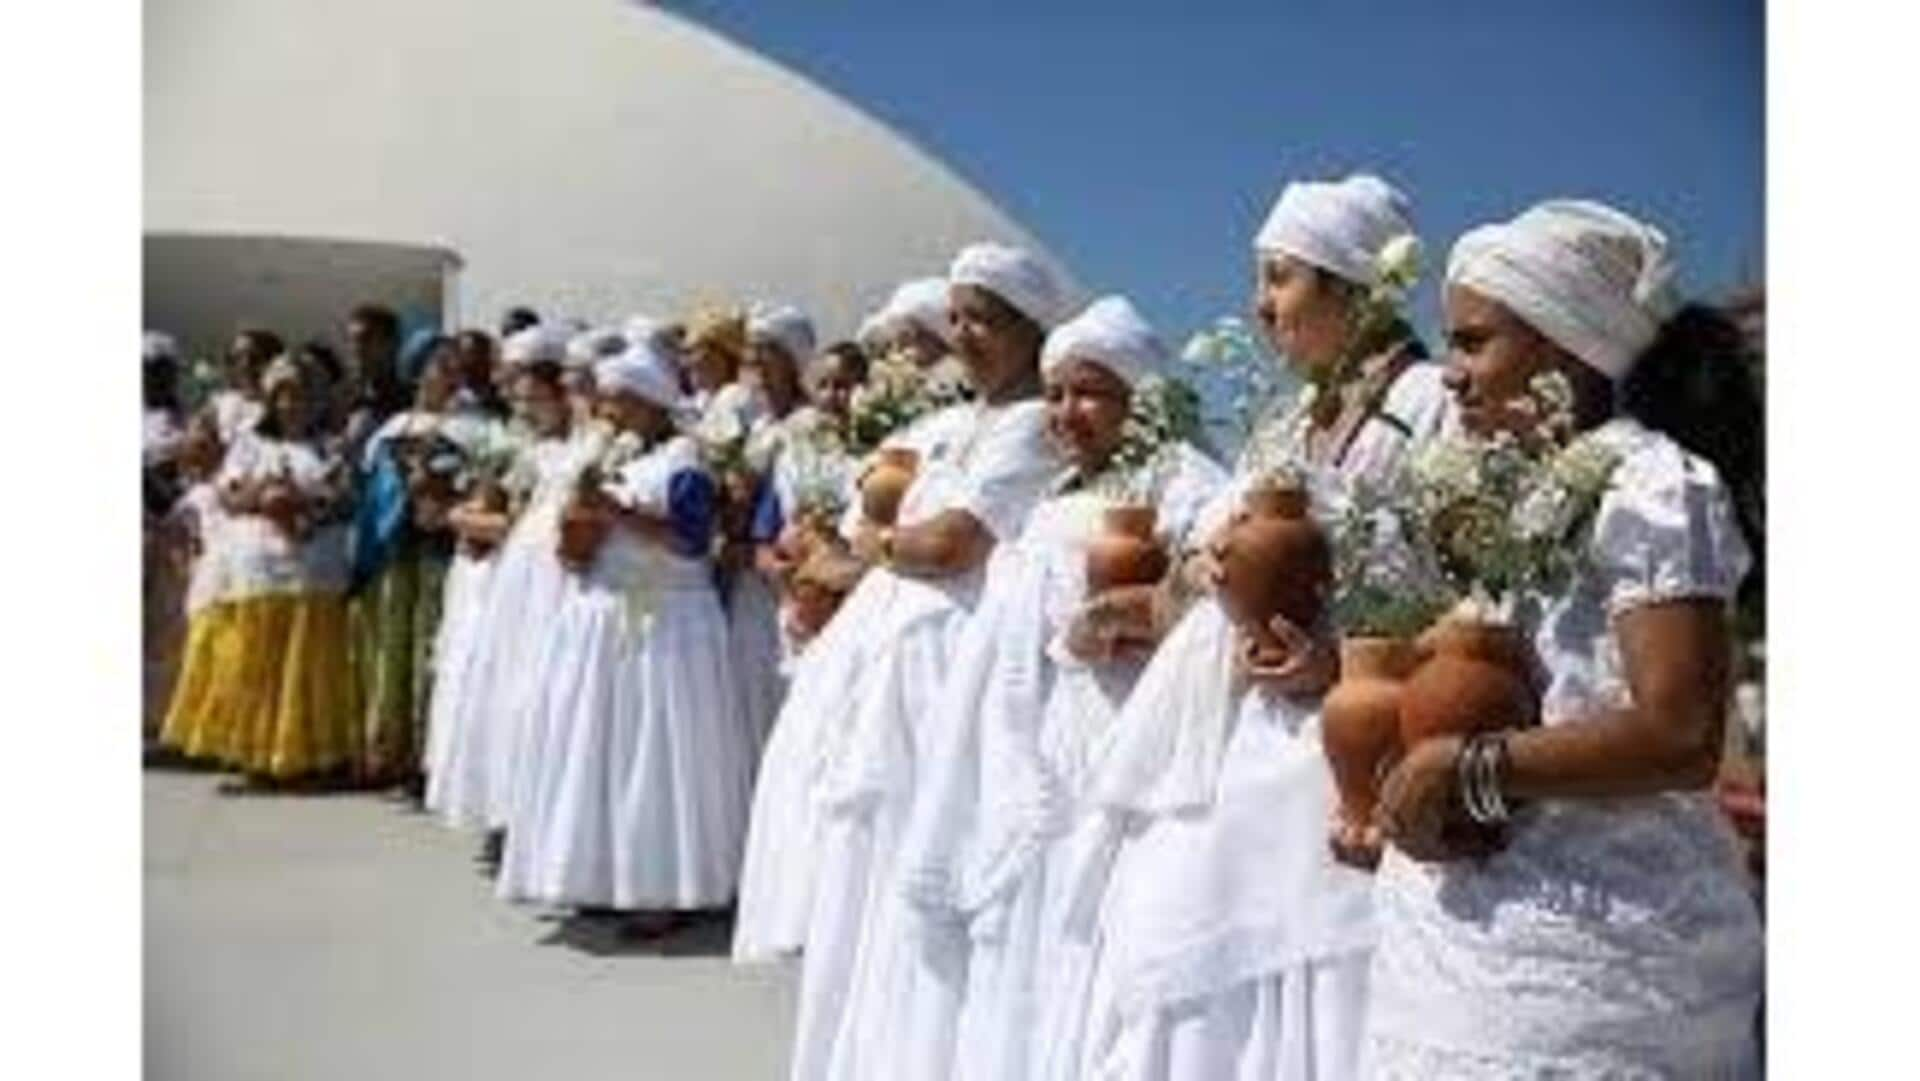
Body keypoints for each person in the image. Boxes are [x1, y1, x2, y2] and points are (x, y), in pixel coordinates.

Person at [1359, 199, 1764, 1078]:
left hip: (1594, 953)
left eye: (1473, 343)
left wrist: (1462, 768)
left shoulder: (1655, 482)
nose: (1451, 375)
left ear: (1566, 348)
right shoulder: (1521, 491)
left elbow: (1681, 733)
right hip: (1459, 942)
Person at [1062, 173, 1451, 1081]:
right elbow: (1207, 560)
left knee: (1314, 949)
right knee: (1179, 918)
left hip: (1353, 734)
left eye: (1280, 278)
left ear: (1353, 287)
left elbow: (1462, 585)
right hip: (1242, 719)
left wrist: (1339, 658)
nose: (1259, 304)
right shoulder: (1282, 422)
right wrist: (1167, 592)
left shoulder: (1430, 402)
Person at [895, 296, 1230, 1081]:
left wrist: (1123, 617)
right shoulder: (1055, 489)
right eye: (1054, 393)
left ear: (1137, 396)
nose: (1065, 411)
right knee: (1023, 934)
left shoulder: (1184, 481)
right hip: (1035, 736)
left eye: (1088, 391)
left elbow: (1211, 597)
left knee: (1089, 934)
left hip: (1116, 741)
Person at [784, 242, 1068, 1081]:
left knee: (930, 856)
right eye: (959, 316)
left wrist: (872, 545)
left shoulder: (1030, 427)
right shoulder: (961, 424)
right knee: (876, 866)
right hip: (901, 662)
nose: (965, 334)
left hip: (955, 668)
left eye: (985, 318)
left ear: (1029, 329)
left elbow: (949, 544)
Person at [496, 340, 749, 940]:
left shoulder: (686, 459)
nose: (605, 411)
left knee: (654, 751)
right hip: (604, 614)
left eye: (617, 400)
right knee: (601, 746)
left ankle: (663, 885)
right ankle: (602, 873)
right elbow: (585, 536)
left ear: (647, 400)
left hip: (665, 618)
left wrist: (611, 513)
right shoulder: (611, 456)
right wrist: (577, 534)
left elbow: (691, 540)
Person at [431, 325, 579, 865]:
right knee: (508, 688)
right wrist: (468, 517)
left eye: (535, 397)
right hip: (517, 582)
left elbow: (524, 518)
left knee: (547, 692)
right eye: (520, 398)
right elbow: (500, 509)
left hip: (552, 580)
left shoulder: (575, 450)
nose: (528, 407)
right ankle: (506, 808)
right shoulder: (522, 449)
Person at [189, 353, 359, 789]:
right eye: (283, 395)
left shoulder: (332, 446)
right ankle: (256, 758)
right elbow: (227, 496)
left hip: (315, 568)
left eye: (302, 395)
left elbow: (347, 500)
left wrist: (308, 506)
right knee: (257, 664)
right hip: (259, 567)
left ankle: (308, 760)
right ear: (270, 398)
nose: (292, 404)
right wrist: (264, 495)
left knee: (307, 667)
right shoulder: (251, 444)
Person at [350, 332, 492, 793]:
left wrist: (442, 494)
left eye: (454, 366)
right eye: (438, 364)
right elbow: (370, 495)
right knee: (391, 645)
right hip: (394, 548)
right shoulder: (390, 429)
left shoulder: (476, 428)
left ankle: (426, 757)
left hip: (442, 547)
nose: (448, 374)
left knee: (433, 642)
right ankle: (386, 751)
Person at [144, 332, 191, 742]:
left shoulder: (186, 423)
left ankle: (157, 722)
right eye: (146, 370)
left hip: (168, 536)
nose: (153, 379)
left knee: (166, 629)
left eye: (161, 371)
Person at [208, 328, 280, 446]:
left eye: (254, 358)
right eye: (236, 358)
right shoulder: (218, 405)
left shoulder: (284, 410)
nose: (245, 365)